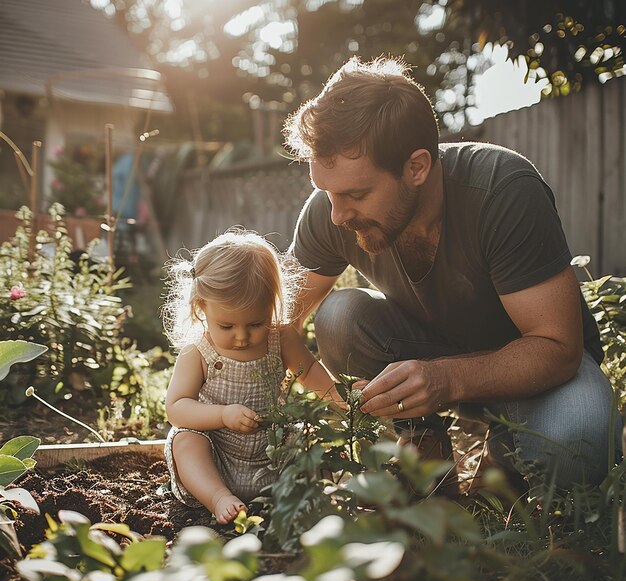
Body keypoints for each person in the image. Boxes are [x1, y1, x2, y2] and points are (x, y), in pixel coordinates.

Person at [282, 56, 621, 493]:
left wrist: (445, 379)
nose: (338, 214)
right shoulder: (333, 212)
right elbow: (276, 316)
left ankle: (502, 456)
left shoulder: (503, 189)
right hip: (433, 353)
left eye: (356, 193)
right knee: (339, 315)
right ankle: (430, 465)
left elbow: (557, 347)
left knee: (580, 439)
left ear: (417, 167)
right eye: (326, 192)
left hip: (537, 371)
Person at [162, 229, 339, 523]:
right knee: (186, 442)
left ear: (273, 304)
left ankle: (302, 498)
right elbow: (176, 408)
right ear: (201, 307)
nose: (242, 336)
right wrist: (222, 415)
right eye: (227, 326)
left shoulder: (279, 339)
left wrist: (339, 397)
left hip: (273, 451)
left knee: (309, 443)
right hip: (216, 457)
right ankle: (218, 498)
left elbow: (309, 372)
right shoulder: (198, 352)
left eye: (256, 323)